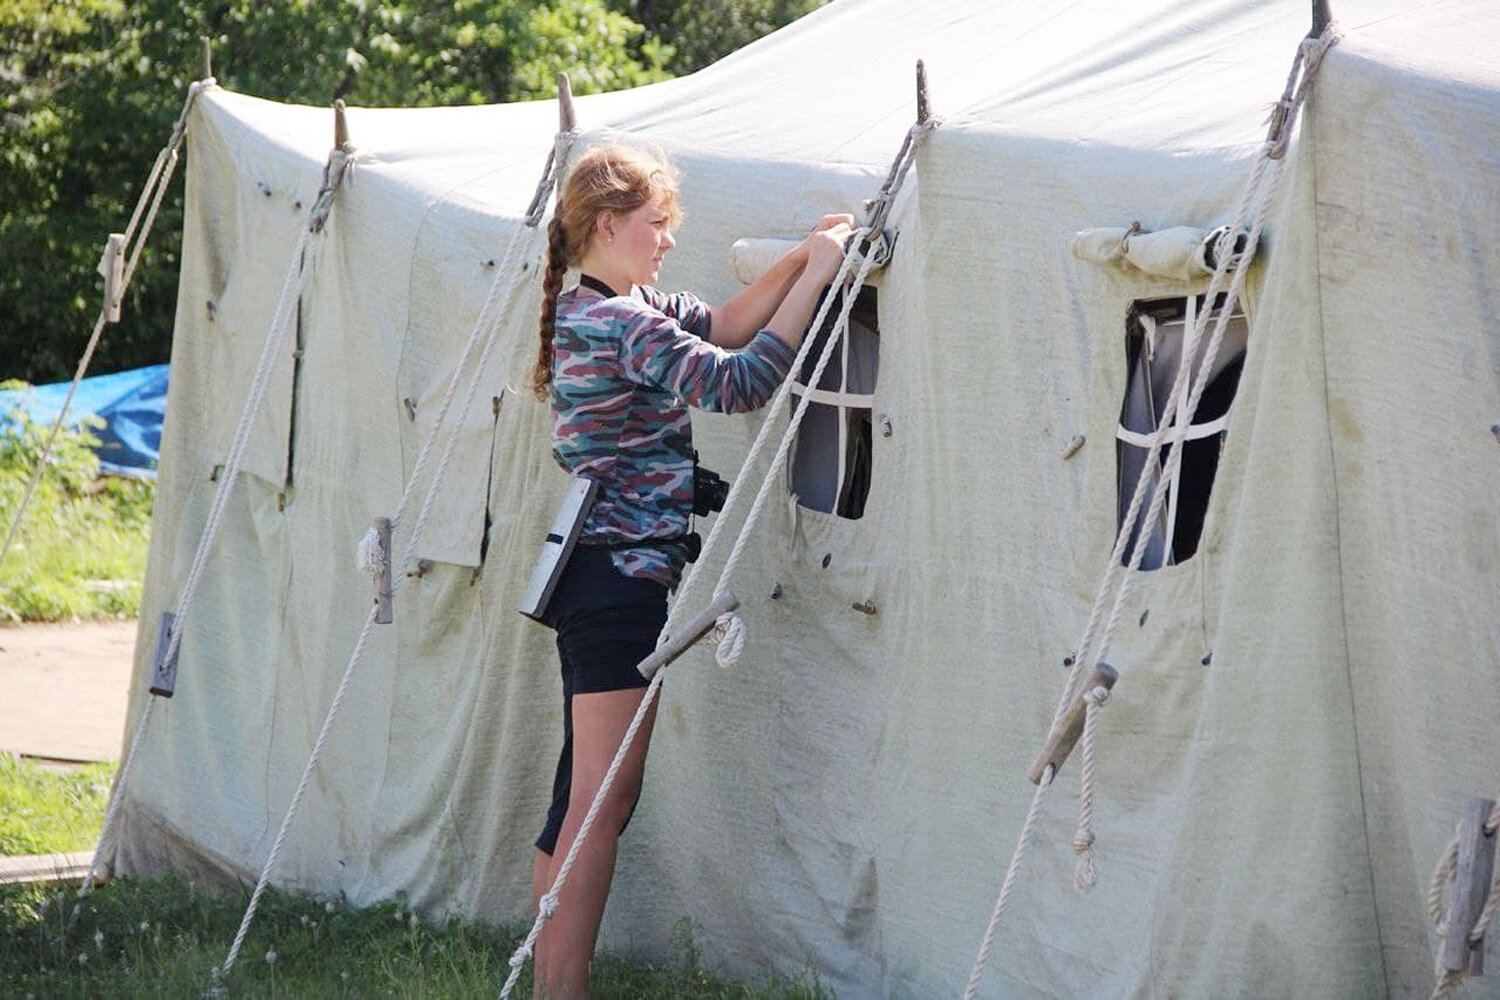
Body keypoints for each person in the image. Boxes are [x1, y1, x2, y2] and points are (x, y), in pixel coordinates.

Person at [526, 141, 852, 999]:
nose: (668, 241)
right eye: (657, 225)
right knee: (603, 795)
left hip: (602, 575)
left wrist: (800, 255)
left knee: (586, 792)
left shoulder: (613, 304)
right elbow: (741, 380)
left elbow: (729, 321)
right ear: (609, 224)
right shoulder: (618, 323)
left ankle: (553, 987)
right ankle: (562, 991)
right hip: (615, 579)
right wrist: (819, 277)